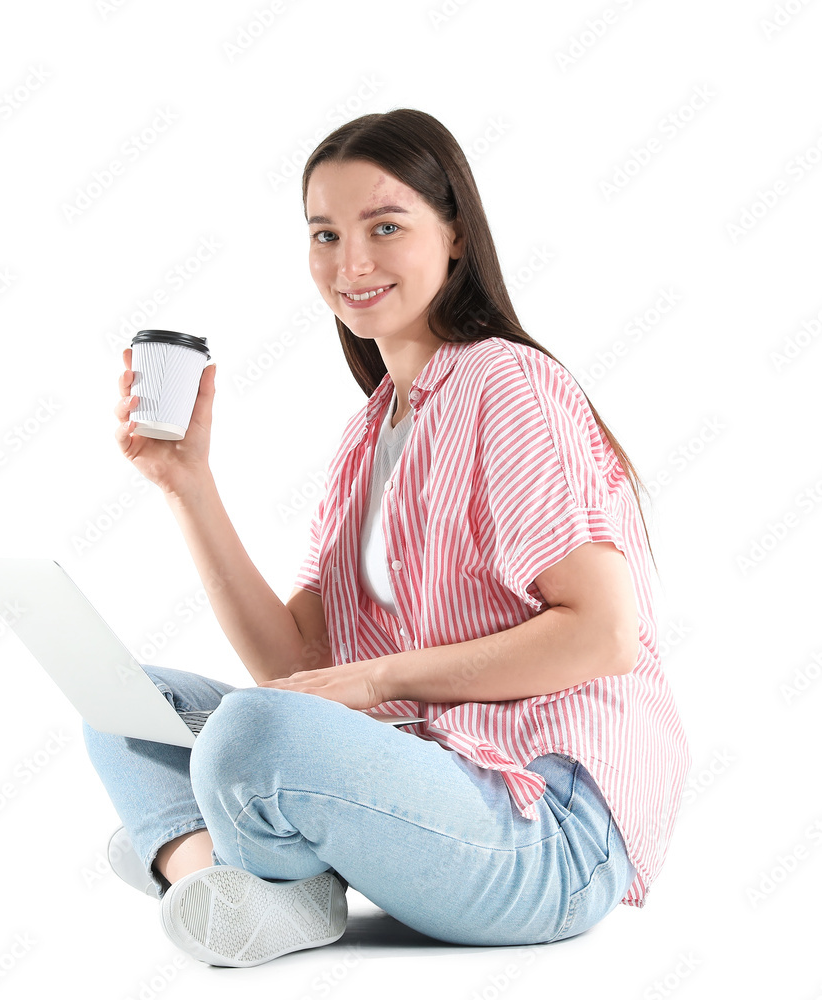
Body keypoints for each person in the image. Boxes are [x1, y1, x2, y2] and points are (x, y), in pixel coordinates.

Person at [83, 108, 691, 970]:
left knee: (250, 735)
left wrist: (375, 681)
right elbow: (296, 668)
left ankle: (207, 865)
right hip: (433, 786)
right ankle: (225, 882)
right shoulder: (372, 431)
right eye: (324, 234)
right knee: (125, 705)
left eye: (385, 227)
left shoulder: (506, 384)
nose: (350, 263)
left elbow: (602, 634)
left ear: (453, 237)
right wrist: (188, 485)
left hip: (545, 828)